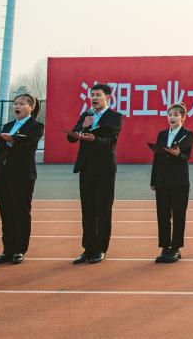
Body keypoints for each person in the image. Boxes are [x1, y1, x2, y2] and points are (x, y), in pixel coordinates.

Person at [67, 84, 122, 265]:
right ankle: (88, 248)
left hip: (105, 169)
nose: (94, 98)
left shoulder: (114, 117)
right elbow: (71, 137)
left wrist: (95, 139)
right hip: (86, 167)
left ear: (107, 97)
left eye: (98, 95)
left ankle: (100, 249)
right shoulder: (86, 115)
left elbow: (112, 140)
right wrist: (82, 126)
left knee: (103, 210)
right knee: (88, 210)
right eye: (92, 95)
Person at [0, 94, 44, 265]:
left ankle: (19, 250)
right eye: (15, 103)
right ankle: (7, 250)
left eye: (21, 104)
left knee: (21, 213)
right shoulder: (8, 125)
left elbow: (30, 145)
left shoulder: (36, 126)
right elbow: (0, 151)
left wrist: (13, 140)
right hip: (3, 175)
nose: (17, 106)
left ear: (31, 107)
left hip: (22, 176)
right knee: (6, 213)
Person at [149, 103, 193, 263]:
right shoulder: (162, 134)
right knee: (162, 215)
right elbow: (156, 158)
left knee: (178, 215)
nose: (172, 118)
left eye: (176, 115)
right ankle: (165, 247)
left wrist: (178, 154)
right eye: (170, 115)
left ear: (183, 118)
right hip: (162, 181)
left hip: (179, 182)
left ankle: (175, 248)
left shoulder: (187, 135)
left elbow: (186, 157)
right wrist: (153, 180)